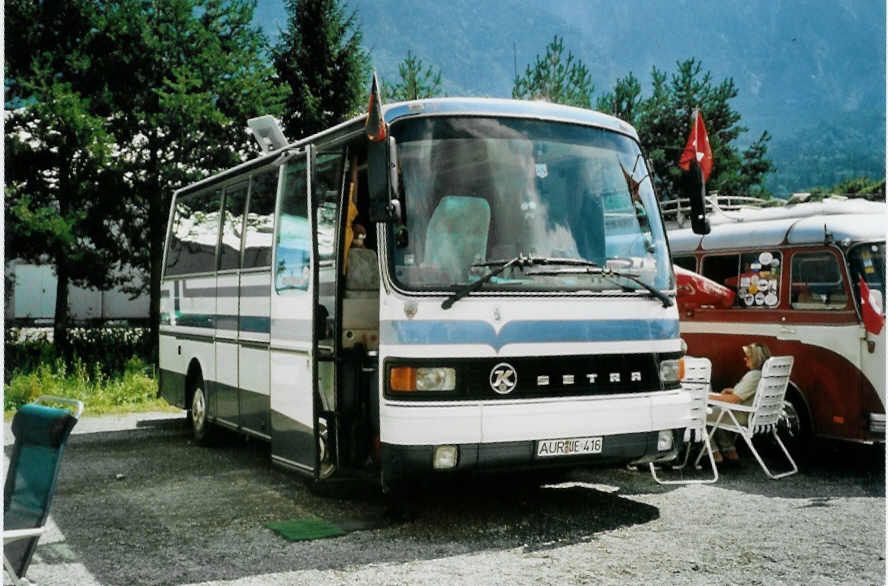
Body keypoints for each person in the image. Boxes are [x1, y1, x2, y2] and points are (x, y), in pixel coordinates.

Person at [707, 342, 772, 463]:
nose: (744, 358)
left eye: (748, 357)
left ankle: (712, 453)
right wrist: (734, 391)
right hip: (754, 415)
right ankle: (729, 450)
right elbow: (751, 393)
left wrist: (706, 396)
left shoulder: (753, 375)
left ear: (756, 359)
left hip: (741, 416)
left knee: (701, 415)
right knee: (716, 413)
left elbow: (734, 400)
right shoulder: (765, 375)